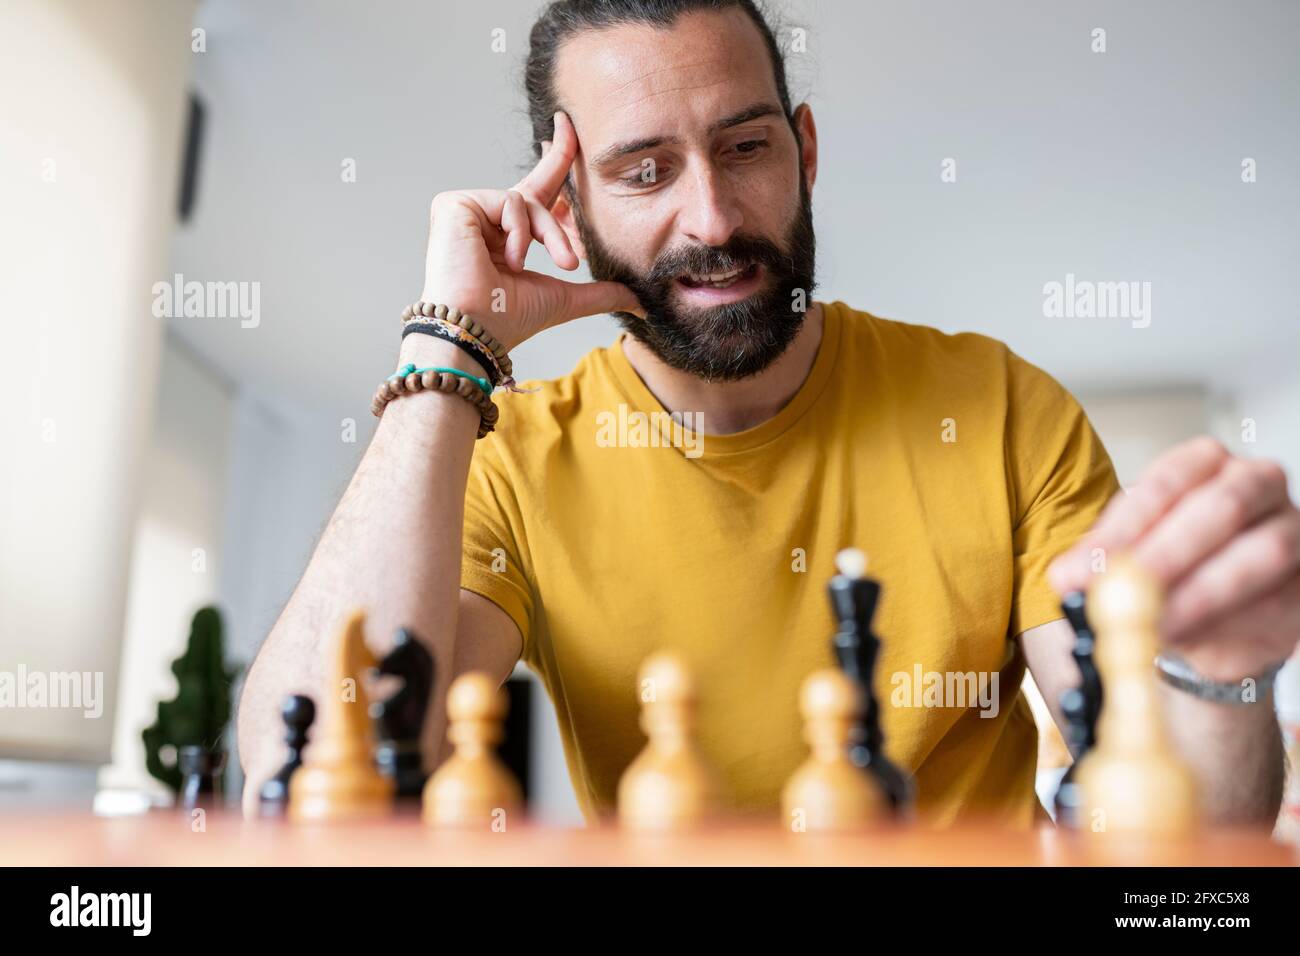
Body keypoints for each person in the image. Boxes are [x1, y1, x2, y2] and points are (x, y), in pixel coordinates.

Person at [238, 0, 1297, 825]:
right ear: (567, 211)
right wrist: (448, 348)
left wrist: (1224, 672)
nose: (710, 215)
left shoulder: (1004, 410)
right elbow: (313, 762)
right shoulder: (512, 457)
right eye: (643, 170)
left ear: (805, 150)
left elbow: (1179, 828)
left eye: (744, 147)